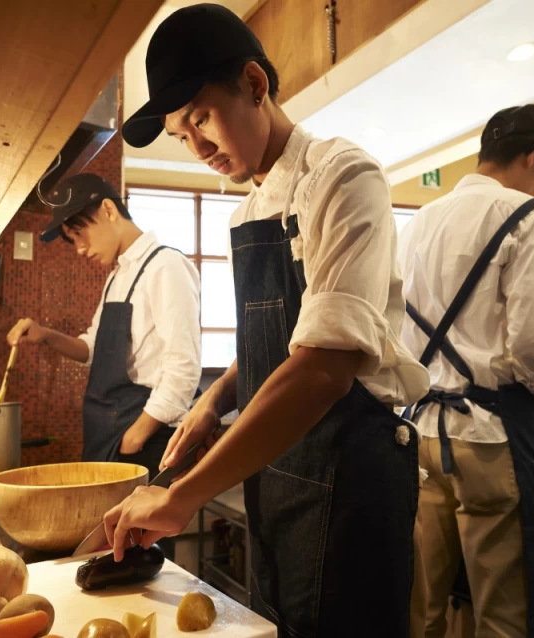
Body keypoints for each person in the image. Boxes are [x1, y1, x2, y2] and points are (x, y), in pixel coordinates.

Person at [101, 5, 429, 637]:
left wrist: (185, 492)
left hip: (351, 472)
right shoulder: (247, 212)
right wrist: (215, 401)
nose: (197, 147)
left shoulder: (342, 175)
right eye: (180, 136)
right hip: (278, 471)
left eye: (200, 119)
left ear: (254, 84)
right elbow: (280, 346)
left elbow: (323, 371)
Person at [397, 105, 534, 638]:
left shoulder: (417, 223)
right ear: (533, 157)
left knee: (423, 604)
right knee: (507, 613)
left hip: (420, 433)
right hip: (490, 435)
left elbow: (396, 331)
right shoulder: (528, 214)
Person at [6, 173, 201, 480]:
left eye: (79, 233)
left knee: (137, 529)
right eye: (72, 240)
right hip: (113, 433)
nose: (79, 248)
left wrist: (135, 437)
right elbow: (93, 349)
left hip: (147, 437)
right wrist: (45, 335)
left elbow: (184, 368)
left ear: (108, 211)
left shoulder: (166, 265)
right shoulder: (117, 277)